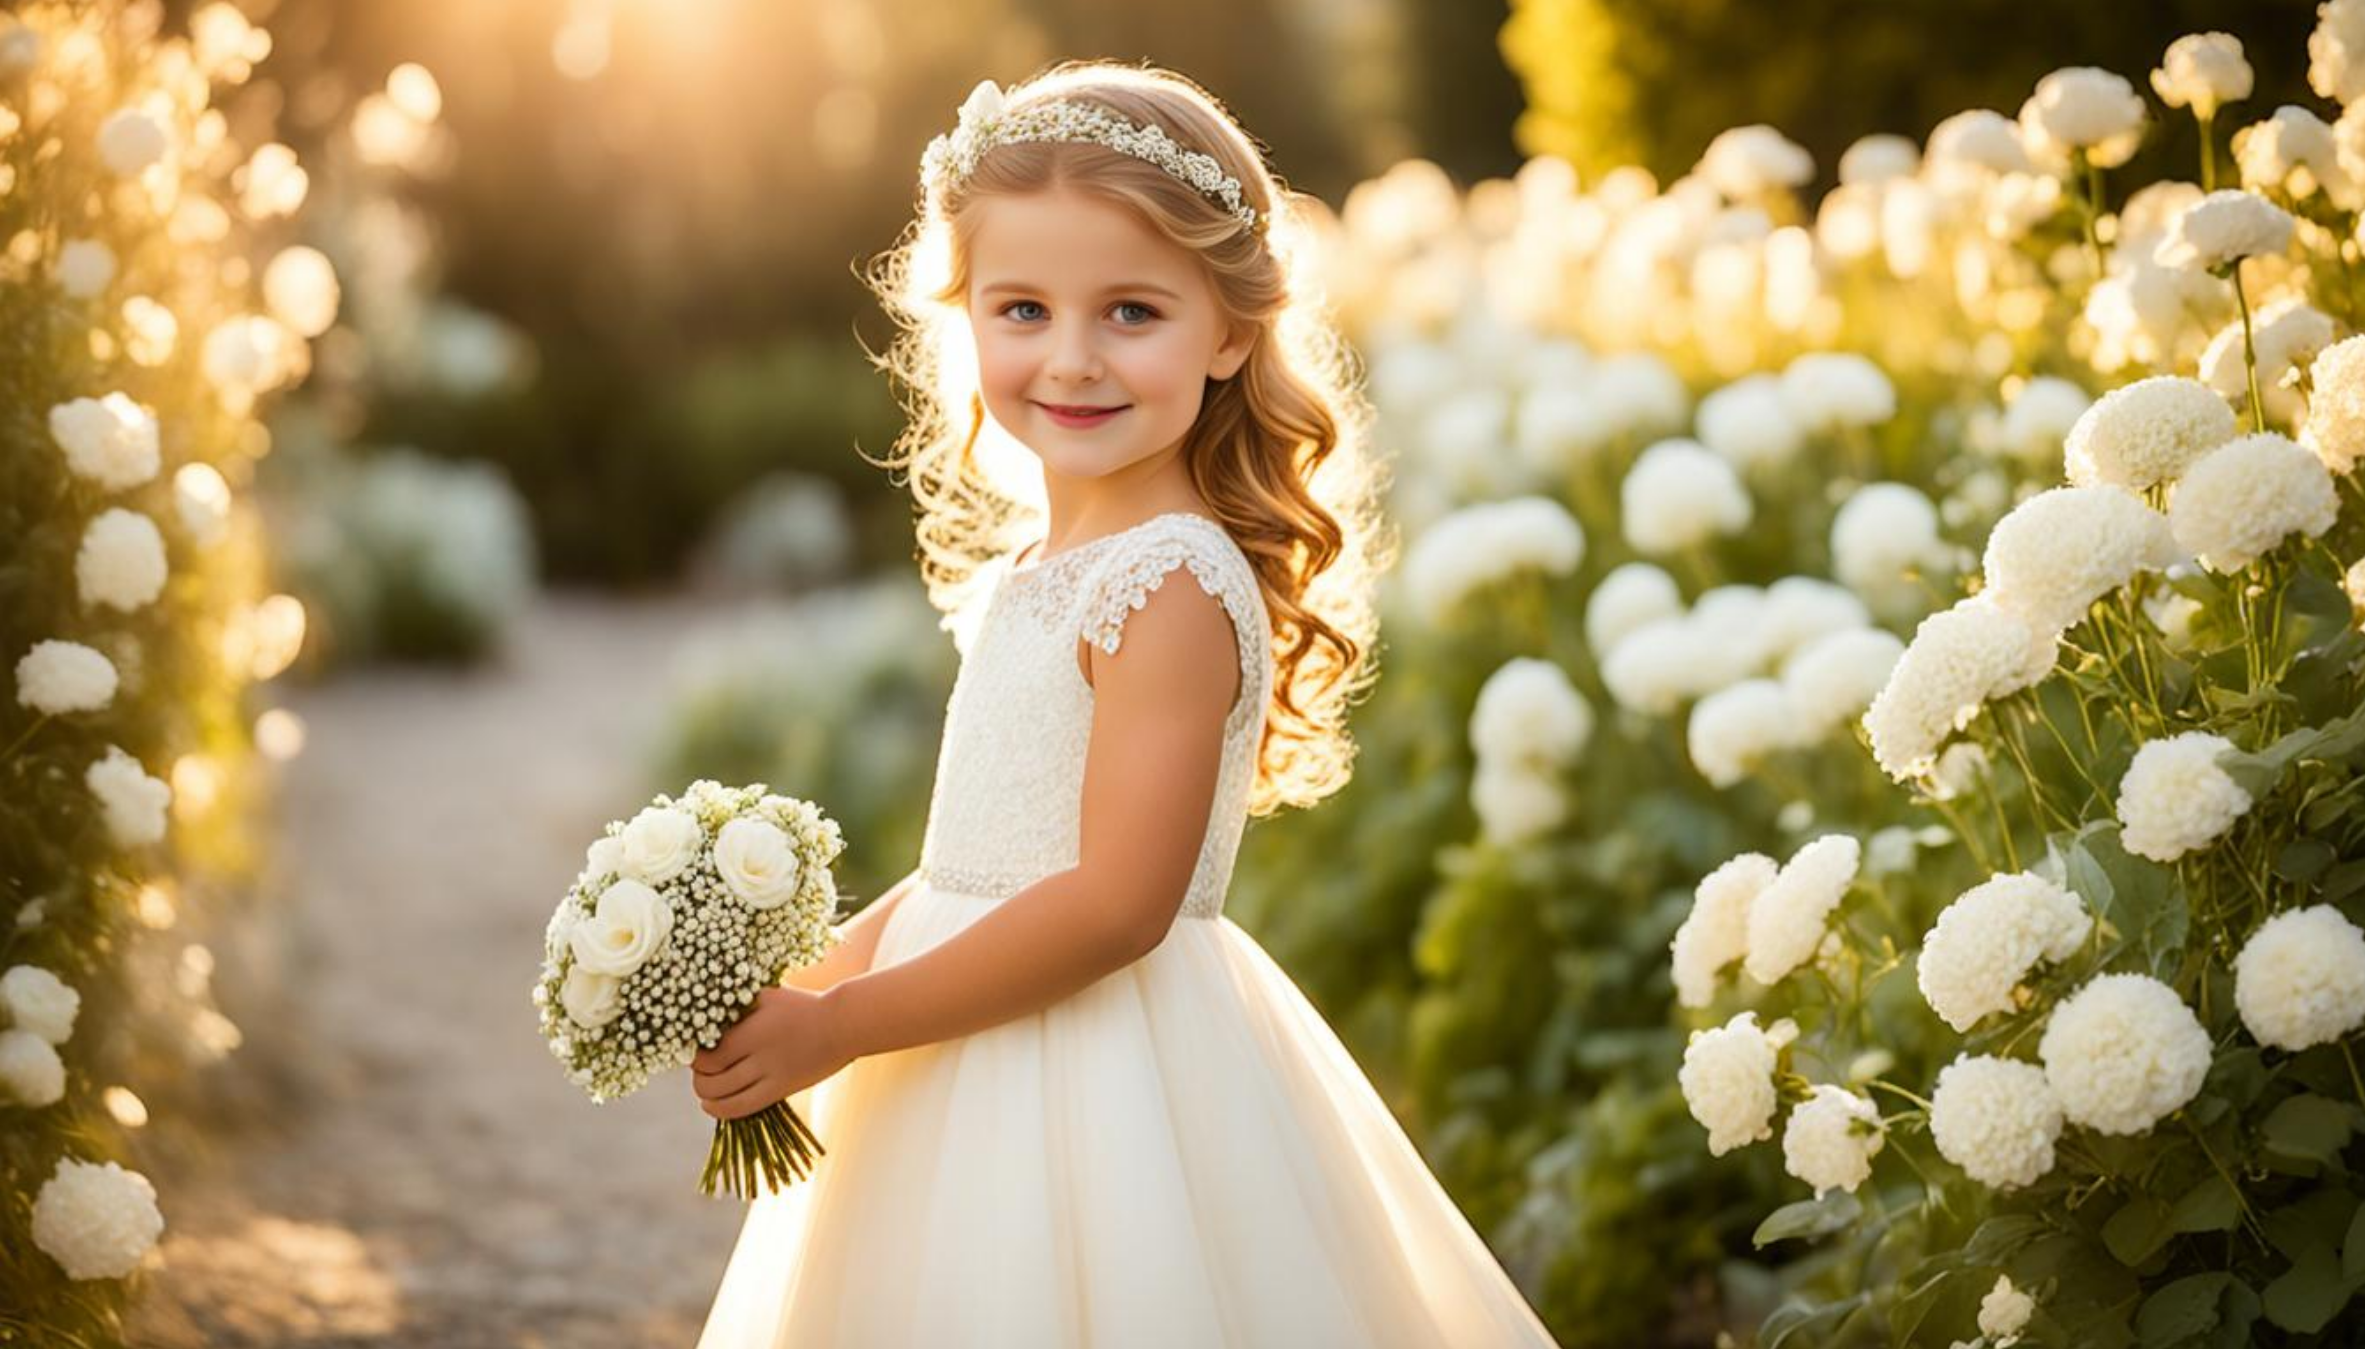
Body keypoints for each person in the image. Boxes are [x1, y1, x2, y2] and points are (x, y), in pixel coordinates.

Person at [689, 59, 1562, 1348]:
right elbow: (967, 864)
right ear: (966, 316)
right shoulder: (1039, 571)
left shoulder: (1169, 584)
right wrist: (815, 980)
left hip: (1100, 1077)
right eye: (1024, 308)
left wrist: (848, 1024)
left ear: (1229, 331)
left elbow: (1116, 902)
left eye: (1133, 312)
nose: (1073, 359)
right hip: (962, 1027)